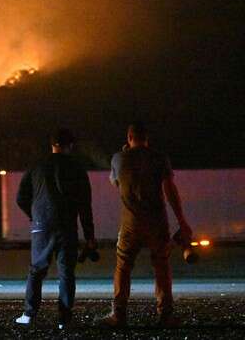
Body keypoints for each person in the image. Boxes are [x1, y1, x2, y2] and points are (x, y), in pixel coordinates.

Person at [100, 122, 192, 328]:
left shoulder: (118, 158)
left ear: (129, 137)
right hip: (157, 222)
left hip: (130, 222)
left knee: (123, 266)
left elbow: (116, 183)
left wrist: (124, 155)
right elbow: (170, 191)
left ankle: (119, 314)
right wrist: (182, 220)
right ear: (147, 138)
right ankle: (165, 314)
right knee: (161, 265)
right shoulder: (159, 158)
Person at [15, 128, 97, 329]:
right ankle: (64, 319)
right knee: (66, 273)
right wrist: (89, 235)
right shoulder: (77, 168)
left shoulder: (37, 167)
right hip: (67, 226)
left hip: (41, 226)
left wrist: (34, 216)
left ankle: (29, 314)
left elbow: (20, 198)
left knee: (36, 271)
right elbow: (85, 204)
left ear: (52, 145)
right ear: (70, 145)